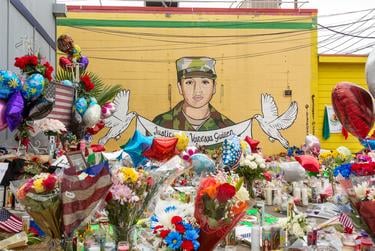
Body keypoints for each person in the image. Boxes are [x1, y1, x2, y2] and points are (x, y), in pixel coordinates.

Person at [153, 56, 234, 131]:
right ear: (180, 87)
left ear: (214, 87)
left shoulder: (228, 127)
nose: (197, 90)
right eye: (189, 82)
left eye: (205, 82)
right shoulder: (160, 124)